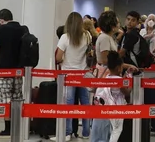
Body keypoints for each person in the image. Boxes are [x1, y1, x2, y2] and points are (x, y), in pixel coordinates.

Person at [55, 12, 92, 140]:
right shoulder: (87, 36)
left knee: (69, 104)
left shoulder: (65, 37)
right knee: (85, 102)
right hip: (83, 73)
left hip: (69, 74)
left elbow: (58, 57)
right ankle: (86, 132)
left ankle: (67, 132)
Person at [0, 9, 27, 137]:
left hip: (5, 70)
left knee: (5, 99)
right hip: (18, 71)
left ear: (2, 20)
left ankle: (7, 128)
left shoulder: (2, 29)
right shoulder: (22, 29)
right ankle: (17, 126)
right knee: (16, 97)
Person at [90, 52, 130, 142]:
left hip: (103, 109)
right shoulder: (120, 81)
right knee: (116, 131)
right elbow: (127, 92)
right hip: (116, 111)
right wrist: (129, 76)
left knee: (102, 135)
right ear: (119, 68)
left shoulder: (106, 78)